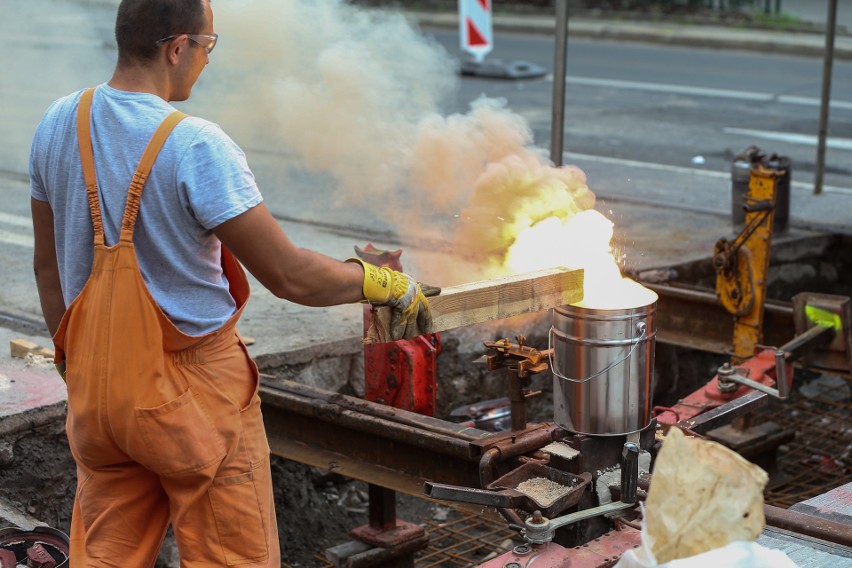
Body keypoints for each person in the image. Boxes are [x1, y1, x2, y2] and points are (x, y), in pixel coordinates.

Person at [28, 0, 434, 565]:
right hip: (194, 400)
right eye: (207, 46)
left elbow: (47, 268)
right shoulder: (196, 145)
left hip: (98, 395)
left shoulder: (57, 122)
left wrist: (75, 363)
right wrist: (380, 283)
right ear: (176, 48)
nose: (206, 60)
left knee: (106, 555)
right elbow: (289, 275)